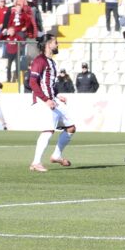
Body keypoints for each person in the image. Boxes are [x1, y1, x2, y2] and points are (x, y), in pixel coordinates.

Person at [27, 34, 77, 173]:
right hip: (43, 101)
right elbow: (32, 82)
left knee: (71, 127)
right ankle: (36, 162)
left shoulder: (52, 62)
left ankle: (56, 155)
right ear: (48, 44)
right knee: (48, 130)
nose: (57, 44)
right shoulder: (39, 61)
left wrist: (56, 95)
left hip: (52, 100)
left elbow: (48, 83)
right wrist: (46, 99)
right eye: (56, 42)